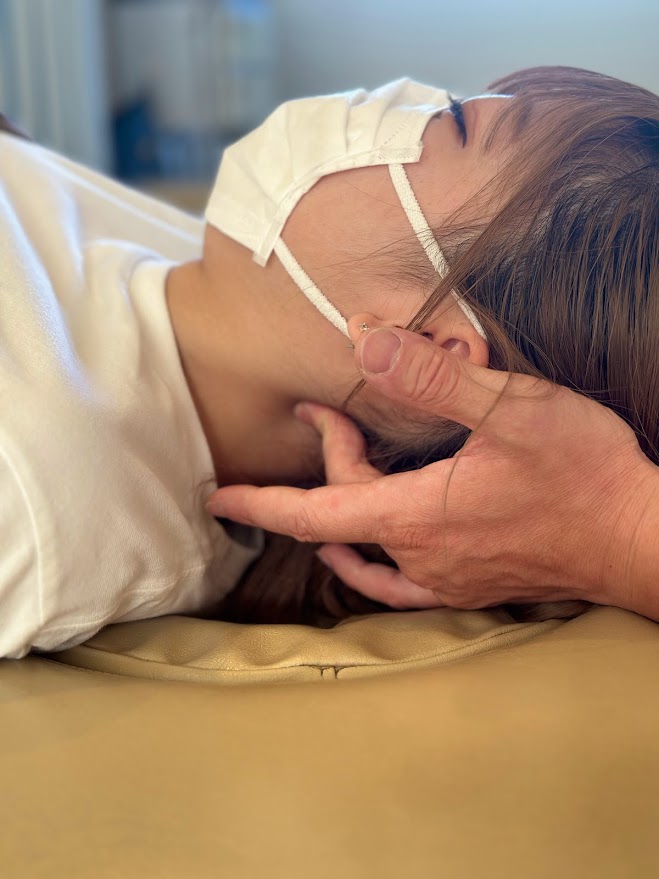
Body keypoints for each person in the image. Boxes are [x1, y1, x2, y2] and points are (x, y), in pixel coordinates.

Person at [1, 67, 657, 659]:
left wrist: (624, 528)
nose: (405, 93)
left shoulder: (29, 488)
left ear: (423, 347)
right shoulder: (217, 297)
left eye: (452, 120)